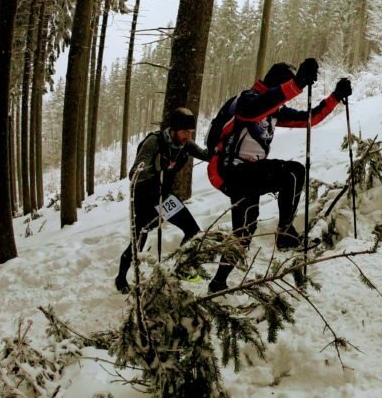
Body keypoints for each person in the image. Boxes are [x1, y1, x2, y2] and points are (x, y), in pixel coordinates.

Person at [206, 58, 353, 293]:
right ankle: (285, 234)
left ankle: (218, 282)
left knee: (244, 233)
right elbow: (254, 110)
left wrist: (335, 96)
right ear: (275, 84)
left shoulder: (274, 110)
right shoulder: (247, 100)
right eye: (284, 88)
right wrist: (297, 83)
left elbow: (309, 119)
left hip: (248, 174)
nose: (287, 95)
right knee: (293, 173)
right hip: (228, 170)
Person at [115, 107, 209, 293]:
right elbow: (134, 173)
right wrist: (156, 167)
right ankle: (120, 278)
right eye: (184, 132)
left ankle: (182, 268)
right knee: (139, 241)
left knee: (193, 230)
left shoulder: (185, 144)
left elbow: (207, 155)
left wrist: (221, 149)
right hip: (145, 199)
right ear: (173, 129)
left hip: (164, 198)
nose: (187, 137)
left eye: (190, 133)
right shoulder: (153, 142)